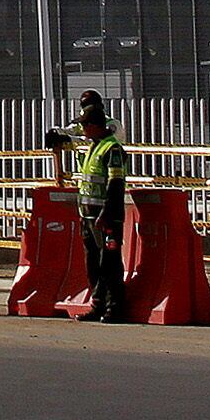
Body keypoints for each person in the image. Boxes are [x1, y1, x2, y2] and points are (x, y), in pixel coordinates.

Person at [70, 102, 128, 322]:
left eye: (85, 126)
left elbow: (115, 184)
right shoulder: (94, 146)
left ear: (95, 125)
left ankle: (115, 307)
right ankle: (97, 304)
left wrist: (106, 213)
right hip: (88, 217)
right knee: (93, 264)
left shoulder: (112, 149)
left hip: (106, 217)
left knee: (110, 263)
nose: (83, 131)